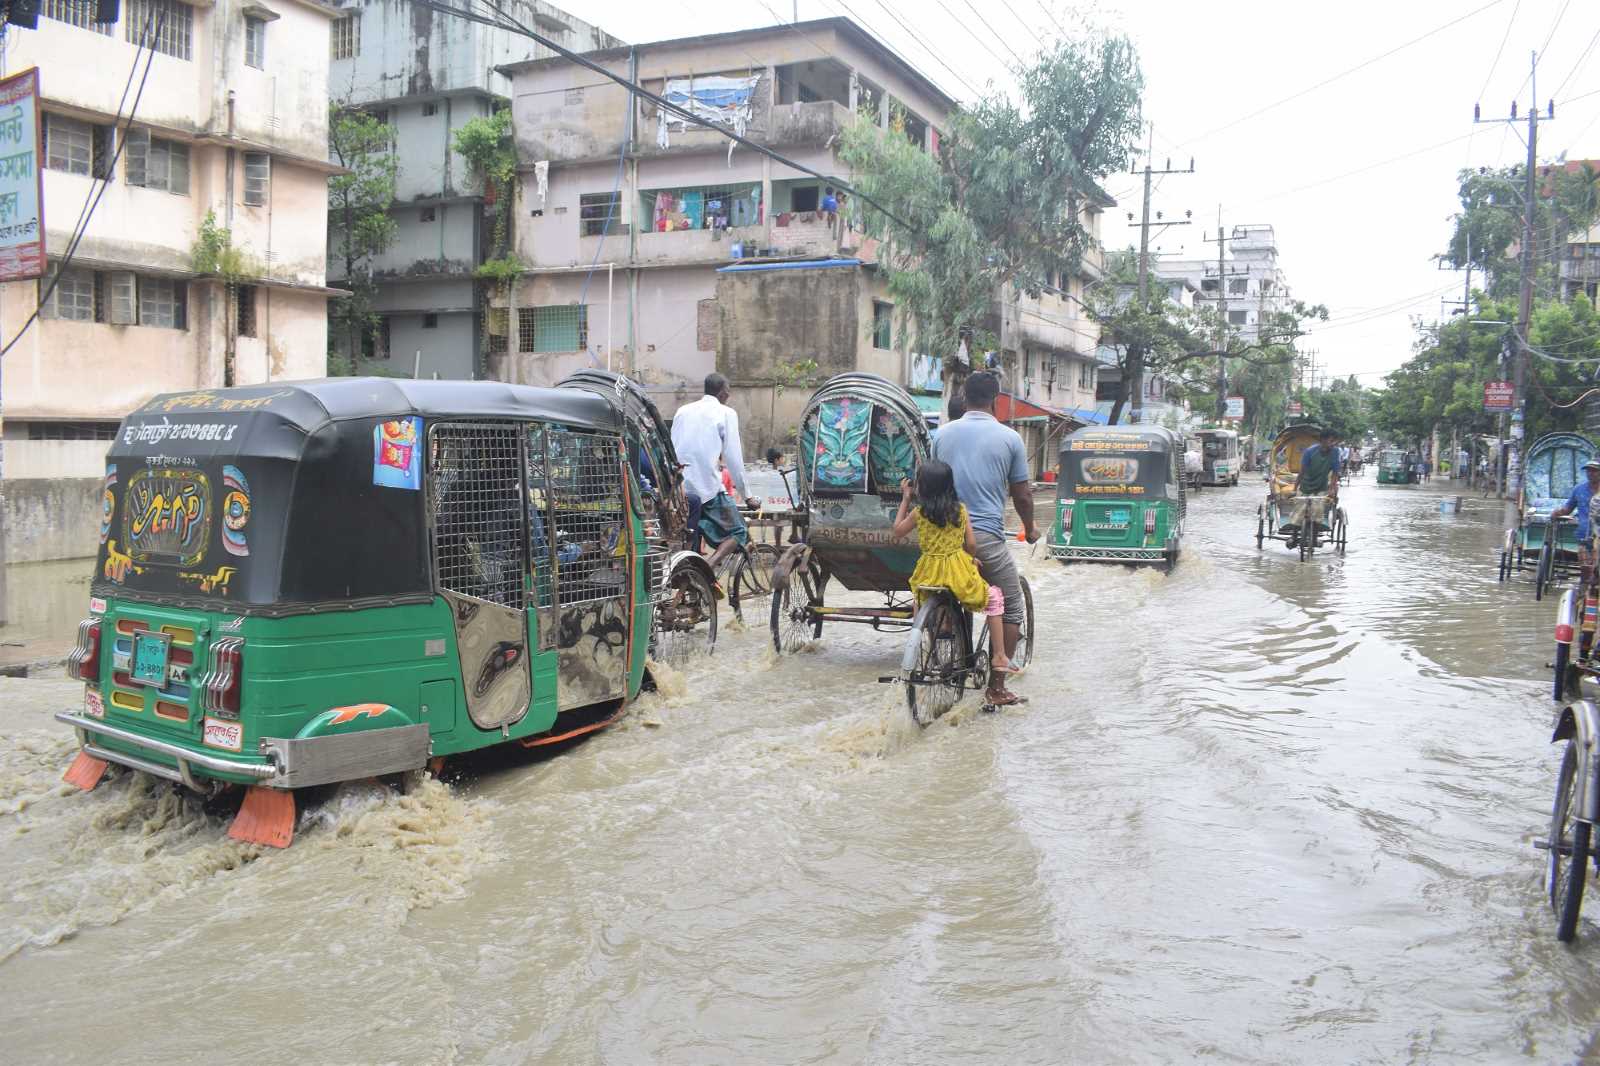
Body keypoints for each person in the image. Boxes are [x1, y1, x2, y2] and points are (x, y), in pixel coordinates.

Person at [931, 371, 1037, 707]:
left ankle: (944, 622)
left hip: (941, 538)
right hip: (986, 537)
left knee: (945, 589)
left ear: (963, 396)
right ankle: (997, 688)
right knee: (1011, 606)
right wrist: (1030, 527)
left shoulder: (941, 434)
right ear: (996, 399)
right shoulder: (1010, 438)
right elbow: (1022, 495)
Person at [893, 461, 1013, 676]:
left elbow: (898, 531)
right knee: (994, 597)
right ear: (949, 486)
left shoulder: (919, 513)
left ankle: (929, 635)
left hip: (928, 573)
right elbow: (972, 545)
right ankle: (1000, 655)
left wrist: (905, 499)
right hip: (956, 570)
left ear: (922, 486)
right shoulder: (960, 510)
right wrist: (970, 559)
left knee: (921, 598)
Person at [670, 372, 749, 570]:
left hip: (679, 489)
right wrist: (748, 495)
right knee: (739, 532)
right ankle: (710, 567)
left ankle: (696, 586)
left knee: (693, 536)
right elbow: (733, 458)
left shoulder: (682, 411)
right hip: (708, 488)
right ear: (723, 393)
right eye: (728, 393)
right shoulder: (726, 413)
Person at [1552, 460, 1600, 545]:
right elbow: (1567, 509)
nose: (1591, 473)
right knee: (1585, 557)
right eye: (1588, 471)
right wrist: (1557, 512)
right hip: (1584, 535)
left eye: (1594, 471)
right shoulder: (1579, 490)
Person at [1296, 428, 1343, 498]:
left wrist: (1331, 489)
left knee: (1320, 507)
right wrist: (1295, 487)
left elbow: (1335, 473)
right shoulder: (1309, 452)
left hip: (1322, 489)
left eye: (1336, 442)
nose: (1334, 444)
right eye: (1332, 441)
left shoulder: (1335, 452)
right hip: (1305, 488)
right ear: (1322, 440)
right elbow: (1302, 472)